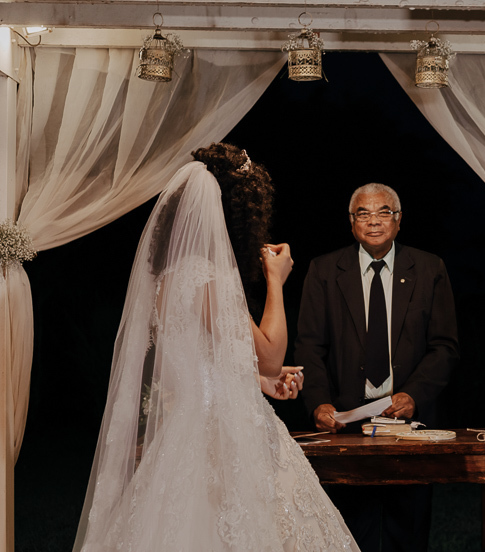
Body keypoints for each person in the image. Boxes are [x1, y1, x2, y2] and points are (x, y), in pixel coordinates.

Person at [74, 143, 359, 551]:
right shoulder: (206, 277)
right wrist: (276, 280)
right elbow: (272, 353)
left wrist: (259, 381)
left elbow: (193, 366)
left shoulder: (164, 282)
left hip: (184, 433)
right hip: (226, 437)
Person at [295, 183, 459, 552]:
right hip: (346, 427)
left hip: (411, 429)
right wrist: (318, 404)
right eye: (363, 214)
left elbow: (444, 346)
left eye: (383, 212)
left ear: (398, 220)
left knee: (409, 534)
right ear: (351, 223)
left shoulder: (429, 268)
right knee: (351, 534)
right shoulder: (323, 270)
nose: (373, 221)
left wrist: (414, 395)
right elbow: (309, 346)